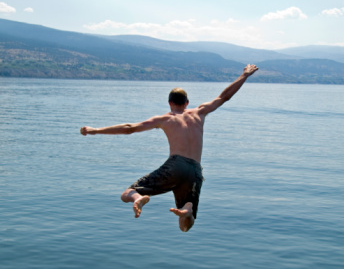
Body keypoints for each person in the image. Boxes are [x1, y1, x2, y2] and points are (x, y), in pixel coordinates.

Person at [80, 64, 258, 232]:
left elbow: (129, 128)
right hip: (195, 170)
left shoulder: (165, 119)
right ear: (187, 102)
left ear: (169, 103)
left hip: (175, 165)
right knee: (186, 226)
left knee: (127, 193)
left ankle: (139, 198)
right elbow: (224, 97)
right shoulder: (200, 112)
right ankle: (187, 210)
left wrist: (95, 130)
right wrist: (244, 75)